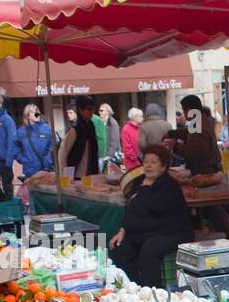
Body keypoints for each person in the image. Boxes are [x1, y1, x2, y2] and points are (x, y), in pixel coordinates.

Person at [107, 144, 194, 285]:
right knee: (119, 247)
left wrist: (146, 187)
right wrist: (122, 230)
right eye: (146, 162)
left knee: (150, 248)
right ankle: (134, 285)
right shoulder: (139, 183)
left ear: (163, 166)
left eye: (153, 162)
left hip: (172, 232)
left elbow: (156, 206)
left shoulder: (169, 185)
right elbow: (132, 209)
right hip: (147, 231)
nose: (148, 166)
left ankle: (153, 289)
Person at [177, 95, 222, 175]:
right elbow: (188, 132)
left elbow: (197, 152)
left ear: (189, 110)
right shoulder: (200, 121)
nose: (184, 113)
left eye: (184, 110)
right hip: (207, 169)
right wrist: (172, 134)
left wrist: (175, 147)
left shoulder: (200, 125)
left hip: (206, 172)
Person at [10, 104, 54, 180]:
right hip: (30, 172)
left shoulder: (46, 128)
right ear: (27, 115)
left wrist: (48, 160)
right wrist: (24, 160)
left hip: (46, 170)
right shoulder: (21, 132)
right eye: (34, 112)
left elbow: (53, 146)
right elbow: (15, 149)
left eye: (38, 111)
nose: (37, 114)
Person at [58, 95, 100, 177]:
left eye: (93, 109)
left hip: (91, 174)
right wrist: (65, 176)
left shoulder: (91, 125)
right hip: (77, 175)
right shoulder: (75, 129)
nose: (92, 112)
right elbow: (63, 152)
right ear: (80, 110)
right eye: (89, 109)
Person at [95, 103, 121, 171]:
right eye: (99, 111)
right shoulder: (100, 122)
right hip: (102, 154)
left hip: (110, 156)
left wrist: (109, 155)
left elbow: (114, 140)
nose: (99, 112)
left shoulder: (113, 123)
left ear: (108, 112)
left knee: (112, 177)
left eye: (101, 110)